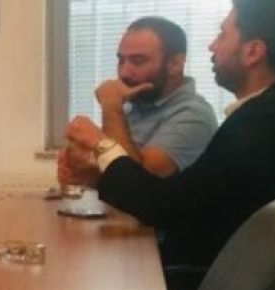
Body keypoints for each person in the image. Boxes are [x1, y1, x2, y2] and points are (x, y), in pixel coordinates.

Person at [59, 0, 275, 290]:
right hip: (221, 286)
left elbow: (163, 205)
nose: (212, 46)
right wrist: (96, 174)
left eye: (223, 34)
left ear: (253, 52)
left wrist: (101, 143)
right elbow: (189, 197)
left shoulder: (269, 125)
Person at [65, 17, 217, 177]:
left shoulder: (194, 115)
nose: (124, 72)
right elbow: (112, 170)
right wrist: (84, 171)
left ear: (175, 64)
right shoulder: (136, 103)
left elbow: (135, 182)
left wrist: (111, 109)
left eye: (137, 61)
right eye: (121, 61)